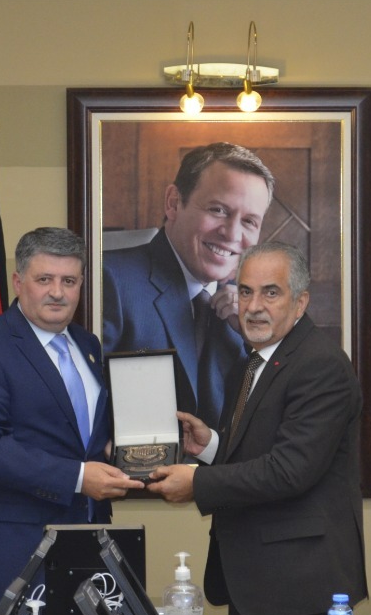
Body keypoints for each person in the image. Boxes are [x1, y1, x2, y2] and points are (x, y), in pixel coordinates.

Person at [147, 242, 367, 615]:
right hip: (256, 582)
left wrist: (196, 482)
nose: (253, 306)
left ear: (300, 303)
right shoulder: (250, 364)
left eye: (271, 293)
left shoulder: (320, 366)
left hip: (300, 585)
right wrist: (211, 446)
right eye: (246, 292)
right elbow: (259, 452)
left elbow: (289, 470)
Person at [0, 227, 143, 615]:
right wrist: (78, 477)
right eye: (44, 279)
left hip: (86, 555)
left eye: (69, 281)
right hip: (12, 560)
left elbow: (83, 437)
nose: (57, 292)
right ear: (18, 282)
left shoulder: (87, 345)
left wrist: (125, 449)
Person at [103, 142, 274, 430]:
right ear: (173, 203)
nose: (232, 234)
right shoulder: (111, 281)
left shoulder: (251, 308)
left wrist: (256, 340)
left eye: (249, 221)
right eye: (218, 210)